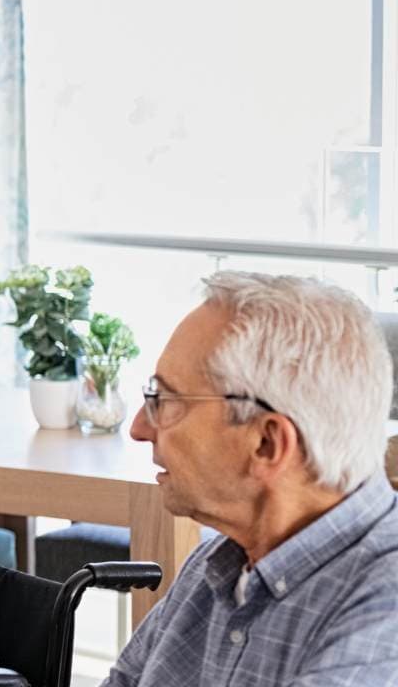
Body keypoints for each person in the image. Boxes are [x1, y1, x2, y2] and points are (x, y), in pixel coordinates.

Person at [103, 272, 398, 686]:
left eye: (166, 401)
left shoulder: (385, 608)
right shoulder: (215, 566)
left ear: (266, 443)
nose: (138, 428)